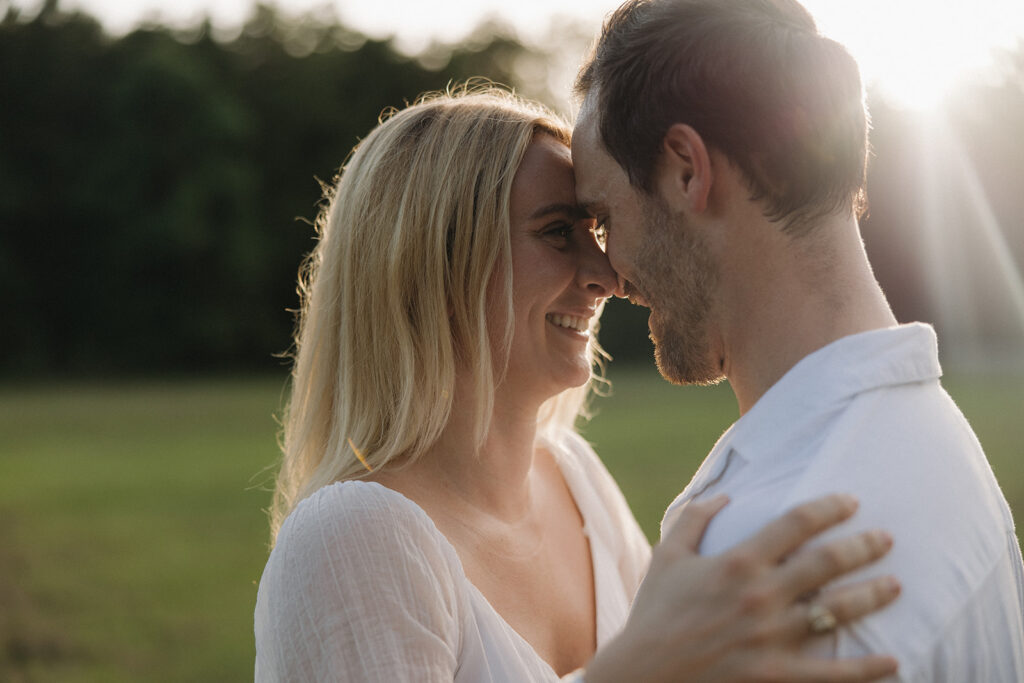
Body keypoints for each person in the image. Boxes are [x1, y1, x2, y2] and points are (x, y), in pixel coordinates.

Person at [254, 84, 902, 682]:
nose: (608, 274)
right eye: (558, 232)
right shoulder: (352, 538)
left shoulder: (576, 479)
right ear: (432, 263)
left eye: (595, 230)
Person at [571, 0, 1024, 680]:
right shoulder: (931, 434)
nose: (608, 274)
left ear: (687, 168)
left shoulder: (766, 565)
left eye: (605, 218)